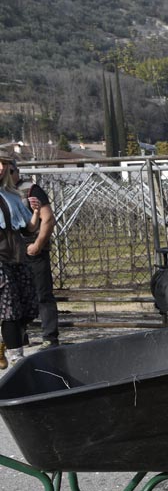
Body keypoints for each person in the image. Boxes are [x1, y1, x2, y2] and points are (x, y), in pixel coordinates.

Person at [9, 160, 58, 348]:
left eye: (10, 170)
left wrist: (38, 244)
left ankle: (50, 337)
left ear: (17, 171)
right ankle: (20, 336)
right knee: (16, 295)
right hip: (13, 251)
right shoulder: (4, 193)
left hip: (32, 248)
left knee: (42, 294)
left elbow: (48, 219)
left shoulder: (31, 190)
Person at [0, 151, 39, 368]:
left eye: (4, 164)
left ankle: (4, 343)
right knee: (10, 310)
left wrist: (33, 211)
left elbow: (29, 228)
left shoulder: (12, 196)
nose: (1, 168)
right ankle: (17, 358)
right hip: (1, 261)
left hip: (18, 259)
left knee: (29, 308)